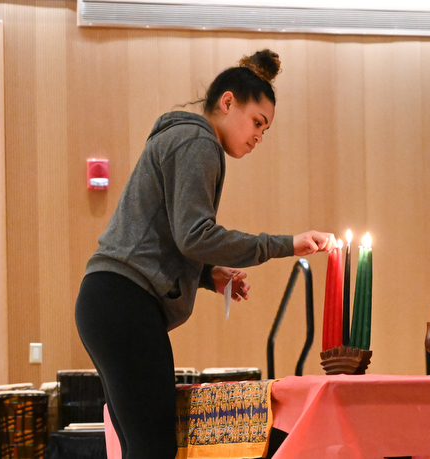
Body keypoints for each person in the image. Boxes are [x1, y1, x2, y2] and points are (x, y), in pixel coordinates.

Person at [74, 49, 335, 458]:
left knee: (141, 447)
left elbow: (162, 231)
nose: (258, 137)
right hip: (124, 302)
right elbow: (194, 235)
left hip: (107, 300)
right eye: (257, 123)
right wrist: (285, 244)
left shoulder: (180, 136)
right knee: (154, 447)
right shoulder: (197, 140)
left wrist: (204, 274)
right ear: (227, 102)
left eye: (265, 130)